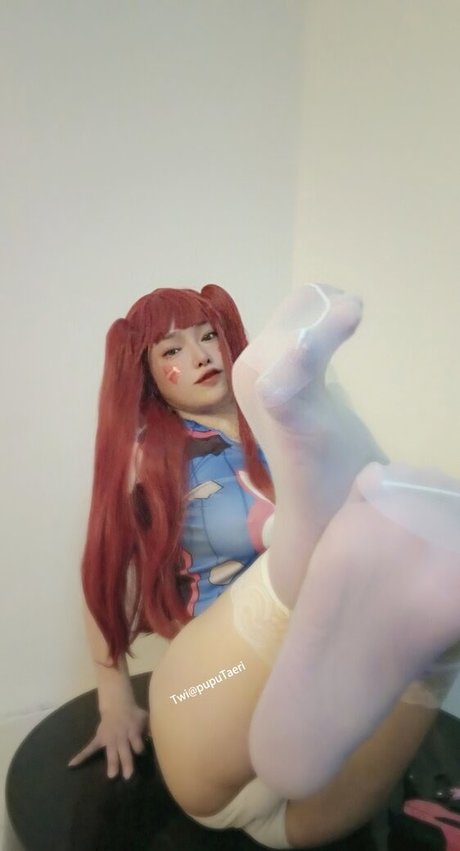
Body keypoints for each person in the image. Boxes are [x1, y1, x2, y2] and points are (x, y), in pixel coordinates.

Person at [69, 282, 460, 849]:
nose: (200, 355)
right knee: (322, 530)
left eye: (208, 337)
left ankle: (343, 526)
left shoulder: (280, 433)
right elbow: (107, 574)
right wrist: (114, 699)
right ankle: (314, 515)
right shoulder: (148, 455)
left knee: (438, 627)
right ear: (149, 376)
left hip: (322, 744)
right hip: (209, 695)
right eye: (172, 350)